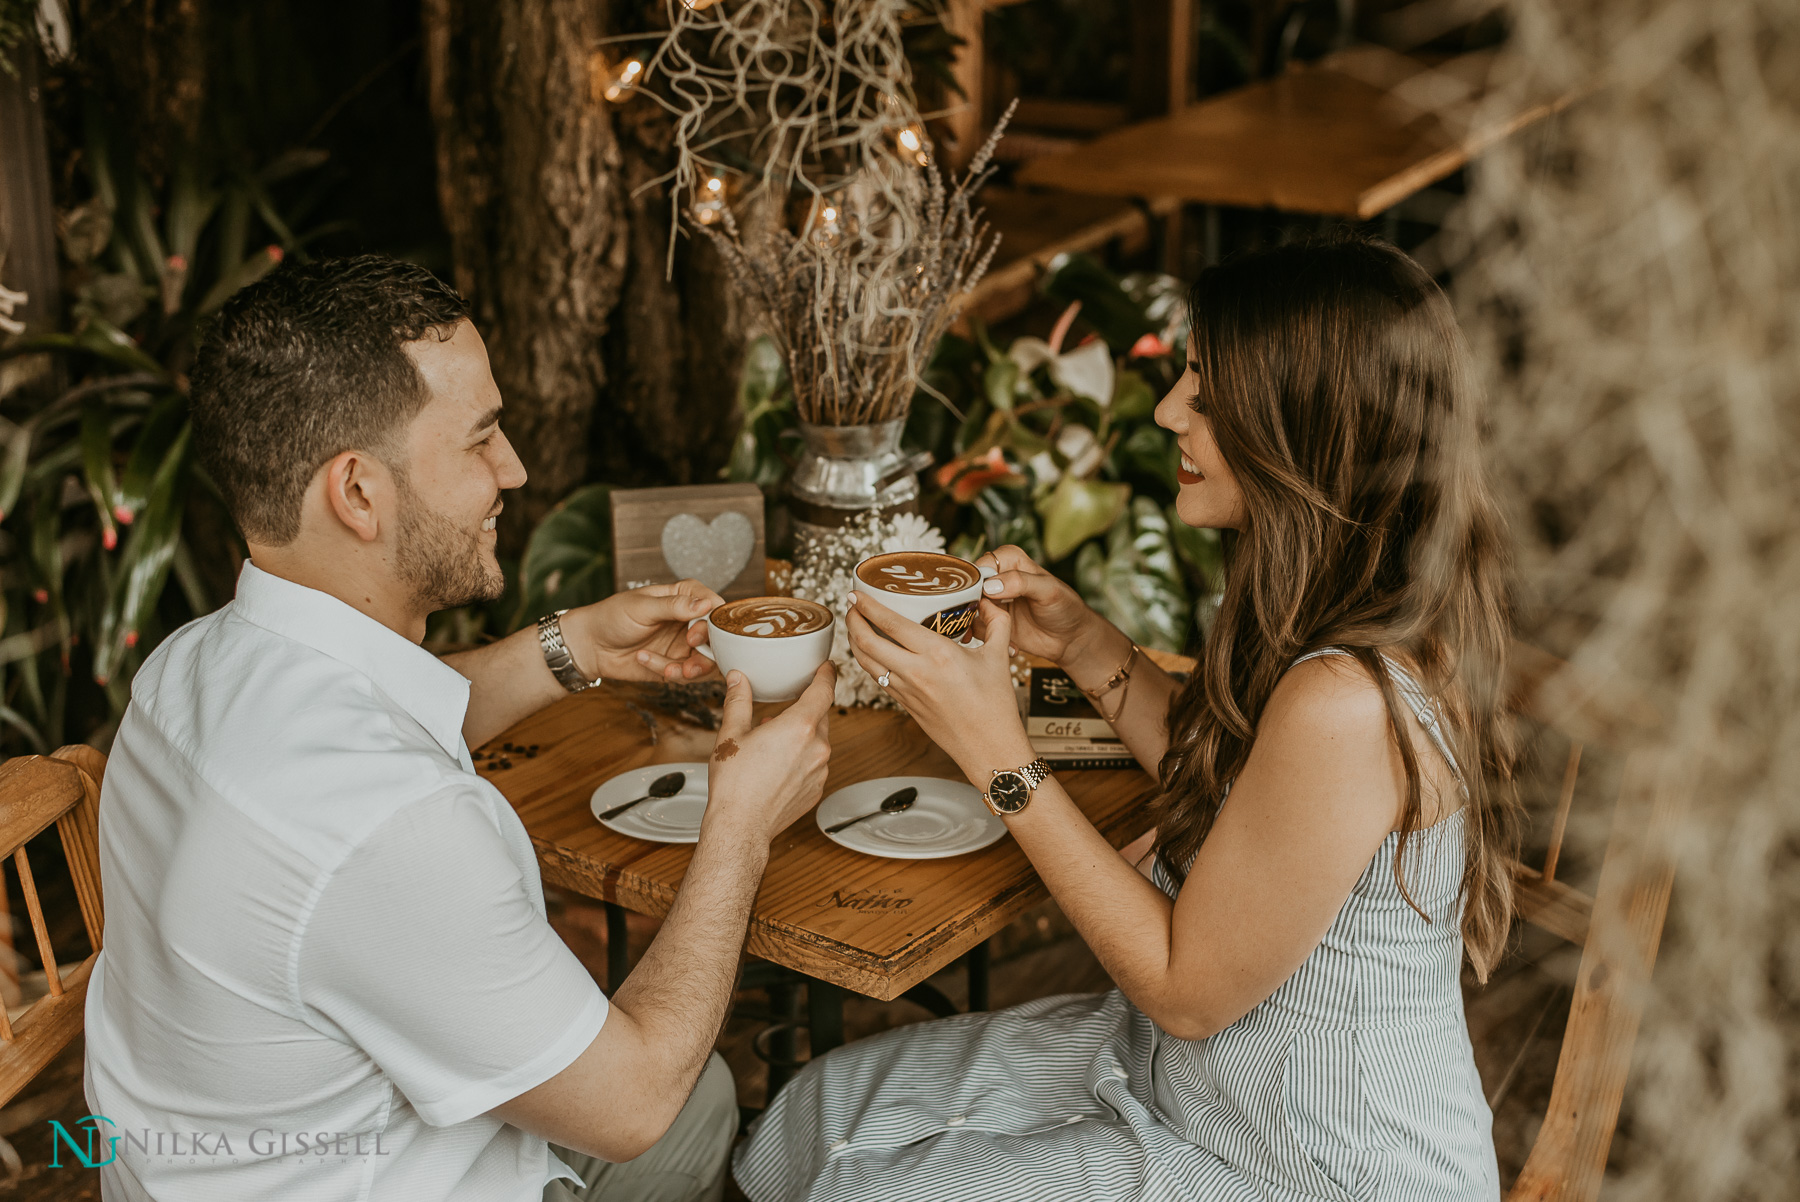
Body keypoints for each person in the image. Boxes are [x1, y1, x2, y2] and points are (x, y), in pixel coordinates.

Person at [733, 236, 1519, 1202]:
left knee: (863, 1192)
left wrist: (995, 750)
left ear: (1302, 430)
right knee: (819, 1107)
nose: (1167, 411)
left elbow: (1186, 991)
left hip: (1309, 1166)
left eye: (1207, 392)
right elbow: (1255, 801)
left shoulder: (1347, 699)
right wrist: (1093, 649)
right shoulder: (1343, 606)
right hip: (1203, 1088)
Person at [83, 254, 836, 1202]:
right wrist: (740, 826)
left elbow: (382, 715)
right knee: (684, 1101)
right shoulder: (393, 828)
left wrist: (575, 647)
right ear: (358, 492)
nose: (512, 468)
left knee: (706, 1094)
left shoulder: (187, 668)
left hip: (187, 1170)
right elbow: (633, 1104)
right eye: (480, 440)